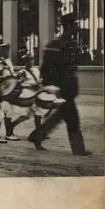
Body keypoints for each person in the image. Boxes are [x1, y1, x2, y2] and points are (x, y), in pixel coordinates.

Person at [27, 13, 92, 156]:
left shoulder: (62, 44)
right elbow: (48, 68)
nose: (77, 27)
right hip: (61, 87)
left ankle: (37, 136)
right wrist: (51, 86)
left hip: (67, 87)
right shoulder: (59, 45)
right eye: (75, 24)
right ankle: (78, 149)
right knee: (72, 117)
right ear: (68, 26)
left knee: (63, 115)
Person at [0, 43, 20, 141]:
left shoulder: (8, 61)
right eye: (5, 51)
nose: (7, 53)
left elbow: (11, 73)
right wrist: (1, 66)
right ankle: (4, 135)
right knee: (4, 112)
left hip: (9, 89)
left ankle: (8, 133)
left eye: (8, 51)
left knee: (8, 112)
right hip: (2, 90)